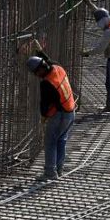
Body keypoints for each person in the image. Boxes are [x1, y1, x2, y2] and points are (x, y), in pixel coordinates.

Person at [27, 39, 76, 181]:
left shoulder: (47, 83)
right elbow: (49, 61)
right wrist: (40, 51)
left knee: (50, 142)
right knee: (61, 141)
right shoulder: (58, 68)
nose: (36, 75)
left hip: (60, 116)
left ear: (39, 70)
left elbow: (44, 104)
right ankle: (58, 170)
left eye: (36, 72)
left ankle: (50, 173)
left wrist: (43, 117)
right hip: (71, 112)